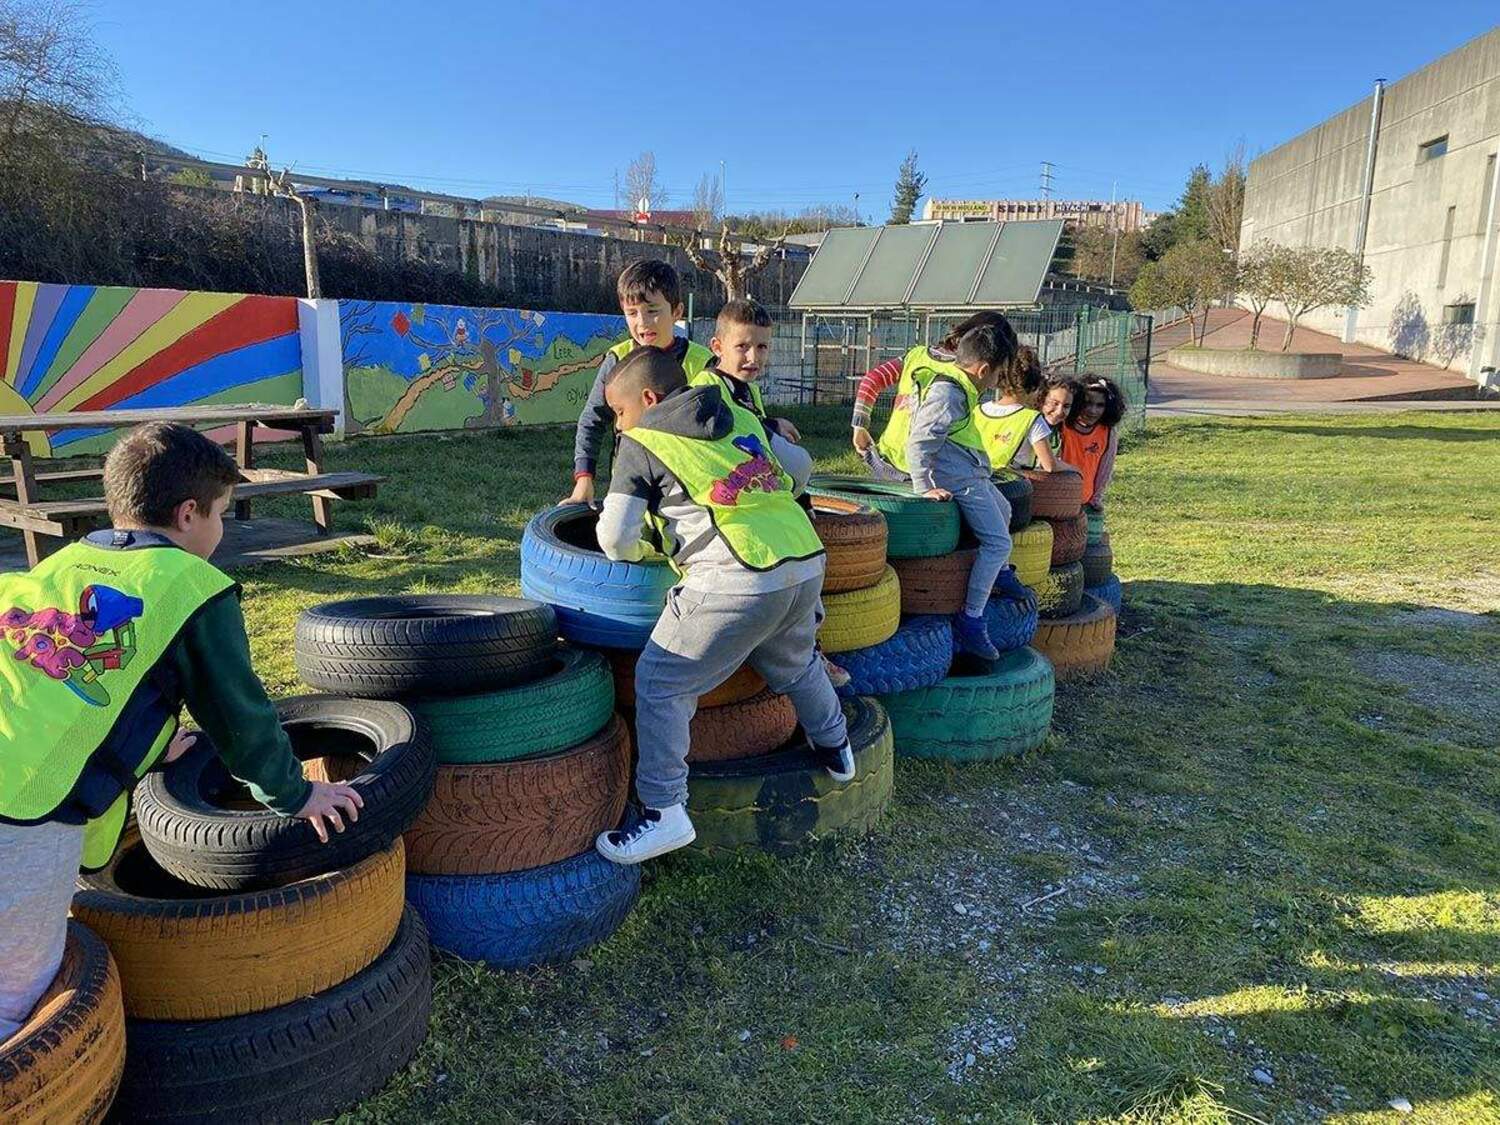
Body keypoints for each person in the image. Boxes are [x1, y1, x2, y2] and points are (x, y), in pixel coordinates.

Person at [0, 423, 363, 1041]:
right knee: (14, 999)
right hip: (25, 809)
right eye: (222, 513)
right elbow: (237, 715)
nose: (222, 529)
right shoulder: (190, 586)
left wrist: (145, 742)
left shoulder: (65, 562)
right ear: (189, 514)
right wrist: (295, 793)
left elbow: (63, 681)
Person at [591, 349, 853, 864]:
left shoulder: (642, 442)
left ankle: (663, 811)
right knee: (796, 663)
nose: (618, 425)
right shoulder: (739, 414)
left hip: (734, 577)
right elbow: (800, 469)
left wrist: (640, 551)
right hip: (802, 560)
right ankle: (838, 748)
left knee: (661, 683)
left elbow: (615, 536)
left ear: (648, 400)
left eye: (618, 412)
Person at [905, 323, 1034, 661]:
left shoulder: (960, 384)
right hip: (958, 478)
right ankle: (971, 618)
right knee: (998, 543)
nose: (999, 381)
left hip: (970, 472)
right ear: (983, 369)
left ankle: (1000, 573)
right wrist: (924, 487)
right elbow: (919, 441)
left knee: (1005, 509)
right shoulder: (948, 394)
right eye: (999, 374)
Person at [567, 260, 713, 504]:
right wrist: (584, 479)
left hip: (689, 489)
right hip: (630, 485)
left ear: (677, 312)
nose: (642, 322)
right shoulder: (617, 359)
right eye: (632, 313)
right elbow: (592, 420)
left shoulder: (704, 364)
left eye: (652, 311)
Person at [849, 310, 1019, 480]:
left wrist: (860, 426)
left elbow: (871, 380)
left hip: (887, 459)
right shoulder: (966, 374)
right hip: (928, 470)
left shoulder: (916, 355)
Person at [974, 346, 1073, 472]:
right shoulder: (1031, 419)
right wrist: (1075, 470)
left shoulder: (978, 411)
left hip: (975, 477)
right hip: (1010, 480)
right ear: (1035, 383)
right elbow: (1050, 465)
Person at [1061, 375, 1125, 510]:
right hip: (1057, 499)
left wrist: (1096, 498)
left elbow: (1105, 469)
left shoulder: (1107, 433)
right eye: (1087, 403)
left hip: (1086, 503)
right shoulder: (1063, 426)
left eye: (1100, 405)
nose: (1092, 410)